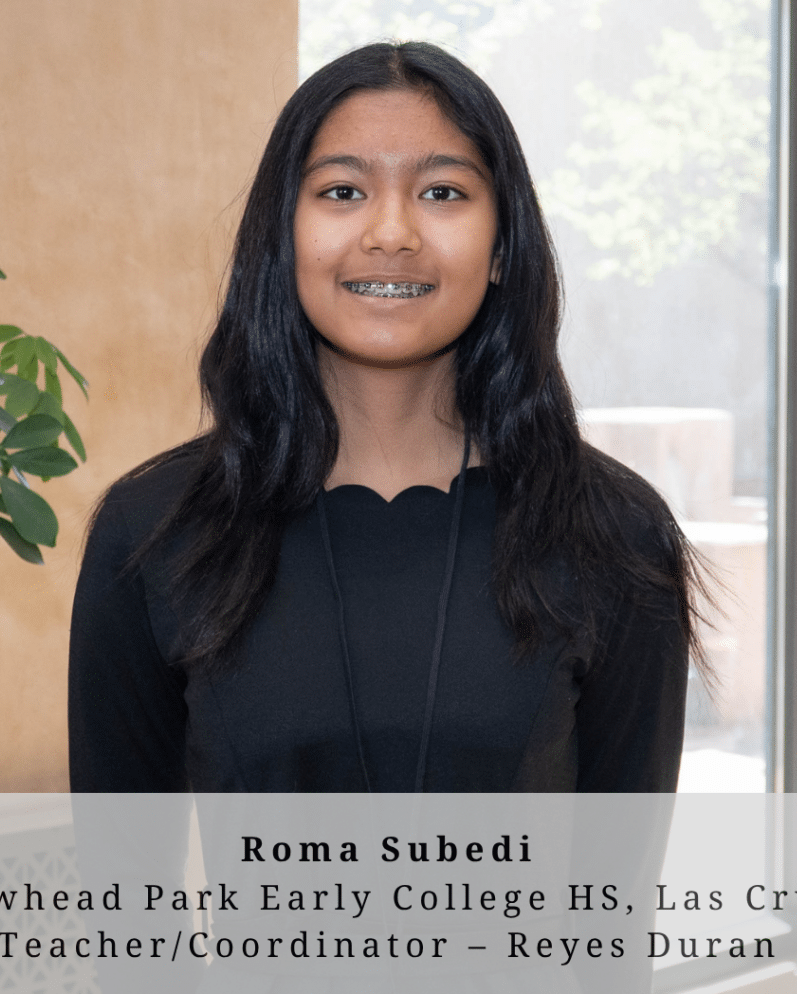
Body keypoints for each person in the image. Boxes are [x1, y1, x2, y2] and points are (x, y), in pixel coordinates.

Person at [68, 41, 711, 794]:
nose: (391, 233)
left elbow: (613, 902)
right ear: (283, 236)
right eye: (343, 192)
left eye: (442, 193)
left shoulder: (618, 537)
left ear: (502, 246)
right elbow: (126, 896)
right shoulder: (153, 531)